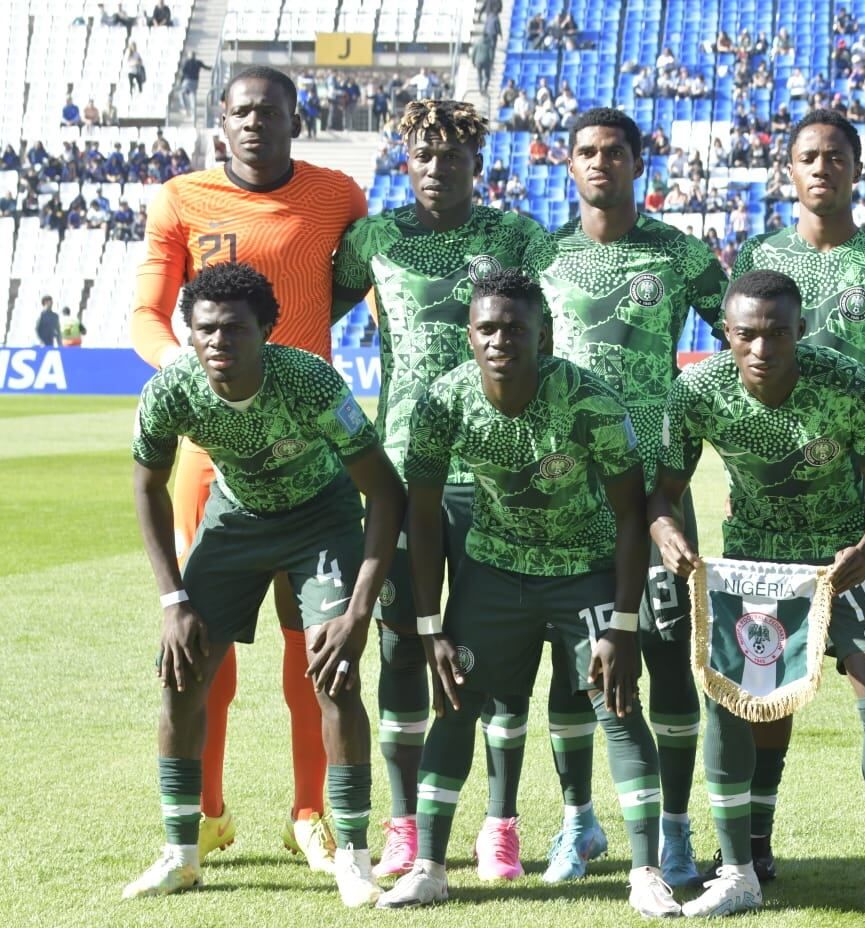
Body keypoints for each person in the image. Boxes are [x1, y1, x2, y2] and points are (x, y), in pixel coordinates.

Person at [376, 268, 681, 918]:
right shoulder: (443, 402)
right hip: (493, 574)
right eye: (487, 328)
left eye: (516, 328)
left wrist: (623, 622)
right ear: (469, 335)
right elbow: (422, 516)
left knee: (618, 705)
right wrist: (430, 625)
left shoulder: (591, 401)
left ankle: (646, 873)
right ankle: (430, 869)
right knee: (454, 703)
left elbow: (632, 516)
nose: (500, 340)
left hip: (584, 570)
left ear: (544, 336)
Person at [130, 65, 368, 874]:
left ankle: (311, 813)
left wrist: (288, 352)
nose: (255, 122)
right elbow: (146, 312)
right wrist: (192, 373)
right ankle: (205, 815)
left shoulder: (337, 195)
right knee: (203, 649)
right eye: (240, 111)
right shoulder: (179, 199)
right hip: (214, 457)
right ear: (220, 123)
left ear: (298, 119)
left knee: (315, 648)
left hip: (312, 456)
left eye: (271, 110)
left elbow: (353, 288)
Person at [122, 262, 405, 907]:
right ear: (190, 334)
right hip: (236, 520)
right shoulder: (172, 390)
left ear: (266, 330)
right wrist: (173, 601)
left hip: (322, 518)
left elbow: (384, 492)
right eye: (205, 330)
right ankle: (181, 854)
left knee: (334, 675)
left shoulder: (309, 381)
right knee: (182, 672)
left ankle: (354, 858)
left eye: (234, 329)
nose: (218, 342)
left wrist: (359, 612)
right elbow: (146, 485)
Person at [652, 269, 865, 923]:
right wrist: (668, 535)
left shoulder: (850, 385)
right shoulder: (696, 390)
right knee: (740, 702)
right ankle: (741, 867)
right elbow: (662, 495)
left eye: (778, 333)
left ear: (801, 330)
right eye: (747, 334)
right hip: (756, 563)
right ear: (725, 333)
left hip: (846, 557)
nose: (762, 347)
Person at [724, 107, 865, 899]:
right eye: (808, 156)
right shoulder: (758, 257)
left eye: (836, 156)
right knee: (763, 694)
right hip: (767, 520)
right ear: (789, 169)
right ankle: (753, 844)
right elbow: (733, 371)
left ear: (857, 167)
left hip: (859, 517)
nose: (822, 167)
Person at [331, 98, 546, 881]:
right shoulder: (373, 239)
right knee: (400, 647)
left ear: (476, 164)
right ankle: (402, 824)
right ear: (406, 160)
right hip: (400, 474)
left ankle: (499, 824)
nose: (436, 167)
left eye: (452, 155)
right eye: (423, 154)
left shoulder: (515, 235)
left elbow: (554, 331)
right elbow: (310, 315)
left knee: (498, 652)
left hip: (496, 475)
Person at [523, 106, 728, 888]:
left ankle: (674, 832)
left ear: (640, 164)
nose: (600, 162)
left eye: (615, 151)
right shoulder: (544, 255)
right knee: (572, 661)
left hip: (655, 490)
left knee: (670, 658)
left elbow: (744, 335)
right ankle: (579, 822)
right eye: (587, 151)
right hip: (565, 494)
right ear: (568, 164)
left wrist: (692, 414)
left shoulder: (679, 254)